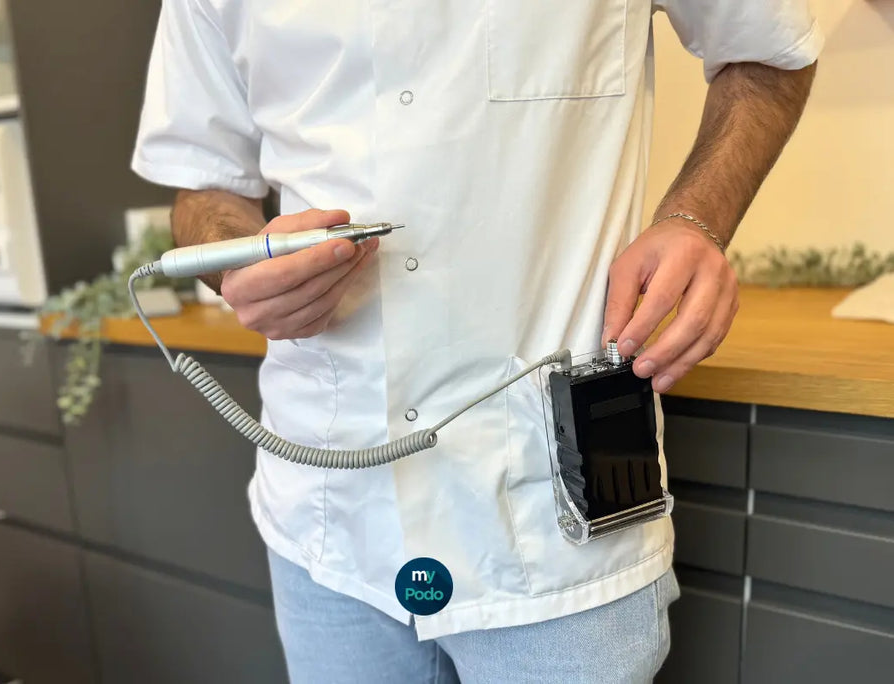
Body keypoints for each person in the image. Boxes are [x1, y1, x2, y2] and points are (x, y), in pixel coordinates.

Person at [132, 2, 820, 681]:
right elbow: (205, 185)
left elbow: (770, 52)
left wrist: (696, 219)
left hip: (559, 535)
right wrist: (235, 262)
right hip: (327, 519)